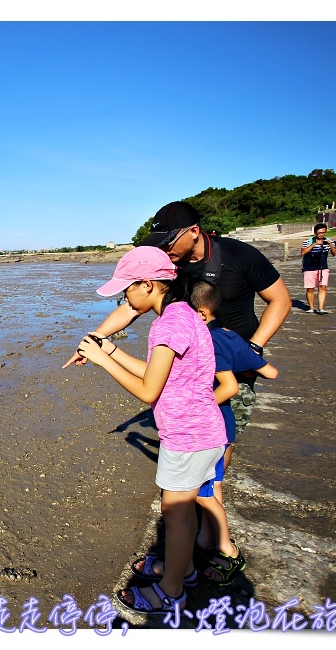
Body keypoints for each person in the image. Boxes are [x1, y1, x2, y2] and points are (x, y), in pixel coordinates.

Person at [63, 247, 227, 615]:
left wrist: (104, 361)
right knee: (181, 513)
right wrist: (112, 349)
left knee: (176, 514)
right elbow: (156, 374)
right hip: (201, 430)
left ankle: (172, 590)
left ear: (149, 285)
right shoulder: (182, 313)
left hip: (188, 435)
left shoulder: (168, 324)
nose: (124, 299)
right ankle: (179, 570)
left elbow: (149, 391)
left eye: (126, 291)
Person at [67, 201, 291, 444]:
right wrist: (96, 339)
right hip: (188, 359)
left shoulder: (240, 255)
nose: (164, 247)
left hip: (230, 354)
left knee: (224, 431)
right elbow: (132, 307)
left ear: (194, 232)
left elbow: (280, 301)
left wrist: (254, 347)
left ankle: (211, 477)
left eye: (169, 240)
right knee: (193, 432)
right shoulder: (168, 267)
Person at [189, 280, 278, 584]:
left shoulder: (210, 341)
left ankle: (227, 550)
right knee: (215, 482)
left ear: (200, 314)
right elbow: (270, 372)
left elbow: (227, 385)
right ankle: (204, 538)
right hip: (230, 418)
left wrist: (195, 406)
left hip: (214, 420)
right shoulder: (230, 336)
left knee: (208, 487)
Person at [300, 223, 336, 314]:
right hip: (309, 267)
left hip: (323, 267)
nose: (321, 235)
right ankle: (311, 308)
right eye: (319, 233)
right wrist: (314, 244)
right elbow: (303, 252)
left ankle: (321, 308)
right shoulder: (308, 241)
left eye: (323, 232)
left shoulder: (328, 241)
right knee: (310, 288)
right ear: (315, 232)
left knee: (323, 287)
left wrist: (331, 245)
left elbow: (335, 254)